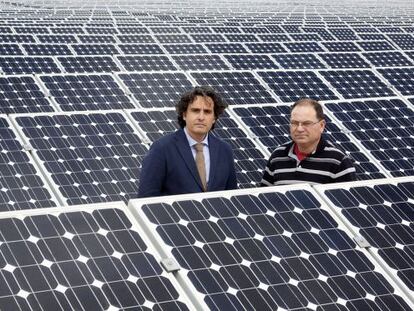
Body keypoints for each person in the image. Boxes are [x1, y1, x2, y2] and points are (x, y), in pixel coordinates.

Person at [138, 86, 237, 197]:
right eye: (195, 110)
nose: (201, 117)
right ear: (184, 115)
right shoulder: (162, 149)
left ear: (214, 118)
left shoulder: (224, 150)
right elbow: (146, 198)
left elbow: (232, 196)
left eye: (207, 112)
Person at [261, 98, 356, 186]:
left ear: (322, 125)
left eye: (307, 123)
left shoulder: (339, 162)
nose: (299, 129)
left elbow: (348, 203)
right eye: (294, 123)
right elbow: (265, 197)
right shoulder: (278, 156)